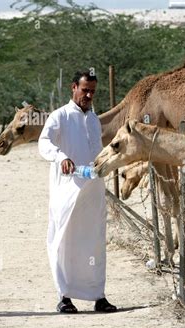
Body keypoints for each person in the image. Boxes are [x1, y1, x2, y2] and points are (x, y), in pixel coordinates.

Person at [38, 70, 116, 313]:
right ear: (74, 87)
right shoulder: (59, 116)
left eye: (92, 91)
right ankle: (64, 296)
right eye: (85, 90)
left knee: (94, 243)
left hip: (93, 192)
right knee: (64, 242)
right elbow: (44, 142)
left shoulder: (93, 119)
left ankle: (98, 296)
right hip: (67, 192)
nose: (89, 95)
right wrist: (60, 157)